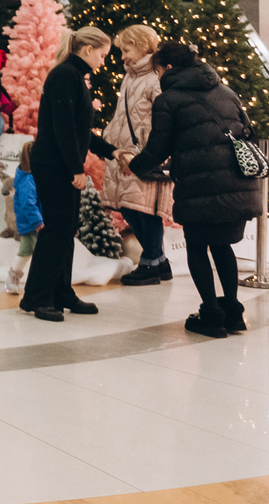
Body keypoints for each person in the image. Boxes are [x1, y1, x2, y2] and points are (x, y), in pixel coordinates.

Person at [128, 42, 262, 337]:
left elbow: (158, 147)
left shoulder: (169, 99)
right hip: (238, 184)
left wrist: (135, 167)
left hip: (200, 186)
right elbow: (247, 129)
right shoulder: (225, 91)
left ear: (169, 68)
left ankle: (211, 316)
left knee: (198, 246)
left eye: (158, 68)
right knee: (223, 246)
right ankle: (233, 312)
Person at [19, 27, 118, 322]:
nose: (103, 61)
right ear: (87, 50)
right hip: (54, 163)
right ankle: (37, 297)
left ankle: (60, 291)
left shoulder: (73, 76)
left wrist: (110, 151)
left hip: (57, 161)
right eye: (102, 54)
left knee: (65, 229)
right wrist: (76, 168)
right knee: (58, 230)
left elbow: (79, 129)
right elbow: (62, 127)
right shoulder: (65, 75)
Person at [103, 25, 172, 285]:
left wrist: (153, 150)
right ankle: (161, 262)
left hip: (144, 155)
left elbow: (163, 117)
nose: (123, 56)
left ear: (143, 46)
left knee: (146, 210)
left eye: (126, 49)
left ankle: (151, 264)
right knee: (129, 208)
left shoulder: (156, 77)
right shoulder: (130, 76)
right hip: (124, 155)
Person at [5, 142, 45, 294]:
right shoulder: (29, 179)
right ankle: (40, 284)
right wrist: (38, 221)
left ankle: (12, 279)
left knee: (26, 250)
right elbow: (28, 204)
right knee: (39, 254)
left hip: (28, 222)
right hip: (31, 223)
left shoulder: (28, 177)